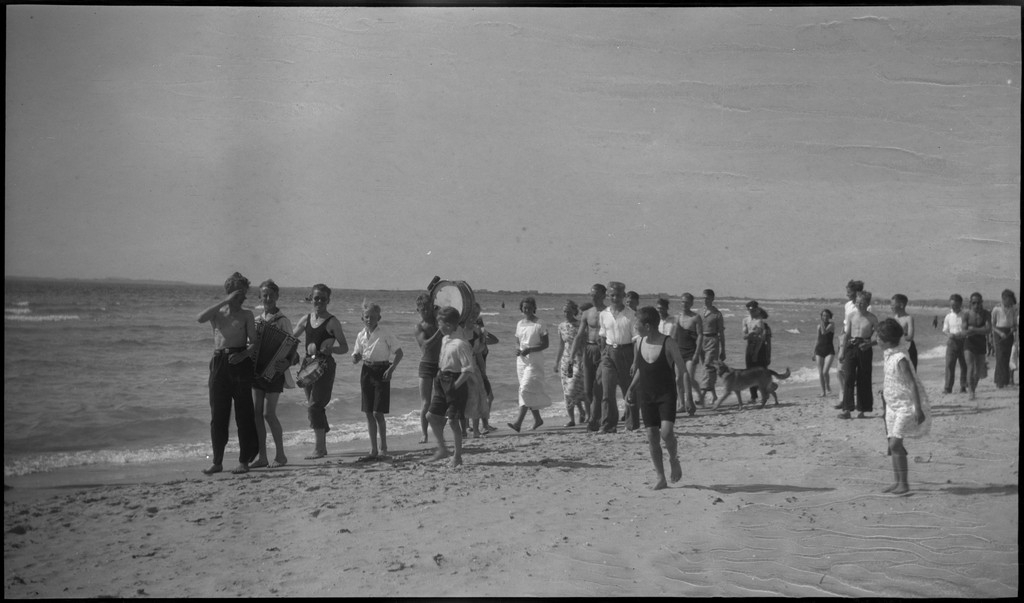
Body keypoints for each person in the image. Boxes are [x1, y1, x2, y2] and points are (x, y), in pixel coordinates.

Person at [196, 272, 259, 475]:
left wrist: (244, 355)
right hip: (219, 363)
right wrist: (225, 301)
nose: (242, 298)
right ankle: (217, 461)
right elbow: (200, 318)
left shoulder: (246, 315)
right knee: (218, 414)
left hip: (239, 361)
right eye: (238, 293)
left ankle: (244, 461)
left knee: (244, 413)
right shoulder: (217, 313)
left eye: (244, 294)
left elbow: (254, 344)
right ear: (229, 292)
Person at [625, 307, 686, 490]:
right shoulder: (640, 343)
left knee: (666, 433)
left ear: (648, 326)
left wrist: (683, 394)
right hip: (647, 395)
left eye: (637, 324)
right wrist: (630, 388)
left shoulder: (668, 343)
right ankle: (660, 476)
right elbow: (641, 371)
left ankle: (674, 459)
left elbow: (681, 368)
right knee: (652, 435)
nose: (635, 327)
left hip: (666, 394)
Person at [292, 284, 348, 459]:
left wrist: (331, 350)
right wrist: (292, 353)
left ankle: (320, 449)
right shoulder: (305, 319)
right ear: (311, 298)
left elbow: (345, 347)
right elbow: (291, 338)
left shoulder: (332, 321)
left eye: (323, 298)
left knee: (314, 406)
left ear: (328, 300)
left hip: (324, 365)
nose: (319, 301)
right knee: (314, 405)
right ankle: (322, 436)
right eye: (316, 298)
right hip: (307, 364)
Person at [878, 318, 931, 495]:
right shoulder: (889, 353)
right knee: (893, 444)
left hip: (905, 406)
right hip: (892, 406)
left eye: (878, 337)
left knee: (895, 444)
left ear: (886, 340)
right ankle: (898, 481)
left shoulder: (900, 358)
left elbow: (911, 383)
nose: (876, 340)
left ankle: (904, 483)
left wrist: (918, 408)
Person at [251, 279, 297, 469]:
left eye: (271, 295)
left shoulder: (283, 320)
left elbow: (293, 348)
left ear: (277, 297)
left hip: (274, 373)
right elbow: (252, 346)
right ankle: (262, 457)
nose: (268, 298)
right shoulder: (256, 320)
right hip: (256, 372)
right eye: (264, 295)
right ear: (260, 297)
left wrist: (287, 362)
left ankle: (281, 455)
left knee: (269, 414)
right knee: (256, 414)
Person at [352, 302, 403, 461]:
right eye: (366, 317)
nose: (369, 319)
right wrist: (355, 357)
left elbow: (399, 353)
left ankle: (384, 447)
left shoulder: (385, 333)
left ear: (378, 318)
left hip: (382, 371)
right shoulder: (361, 335)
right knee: (368, 412)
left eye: (373, 317)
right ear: (362, 318)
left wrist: (391, 369)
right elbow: (355, 356)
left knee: (377, 412)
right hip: (366, 371)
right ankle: (373, 448)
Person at [428, 306, 477, 467]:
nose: (438, 327)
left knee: (453, 422)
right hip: (442, 378)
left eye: (439, 323)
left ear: (448, 325)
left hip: (456, 382)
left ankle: (457, 456)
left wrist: (455, 385)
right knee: (431, 416)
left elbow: (468, 369)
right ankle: (442, 449)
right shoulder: (445, 339)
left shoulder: (460, 344)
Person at [597, 281, 638, 432]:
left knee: (629, 390)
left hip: (626, 352)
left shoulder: (631, 315)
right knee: (607, 391)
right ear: (608, 295)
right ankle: (608, 424)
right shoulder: (603, 314)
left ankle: (631, 424)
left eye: (618, 295)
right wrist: (603, 355)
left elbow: (636, 340)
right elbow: (602, 336)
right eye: (612, 295)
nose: (615, 298)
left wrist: (635, 361)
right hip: (609, 353)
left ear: (623, 295)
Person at [509, 296, 552, 432]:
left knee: (525, 388)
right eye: (524, 307)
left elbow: (545, 344)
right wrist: (517, 348)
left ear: (534, 308)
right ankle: (538, 419)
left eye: (529, 307)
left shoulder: (540, 323)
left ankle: (518, 423)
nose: (526, 309)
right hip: (521, 361)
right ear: (521, 308)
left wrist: (530, 349)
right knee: (528, 390)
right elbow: (517, 340)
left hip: (534, 359)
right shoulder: (520, 323)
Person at [570, 284, 607, 432]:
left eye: (597, 295)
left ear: (604, 295)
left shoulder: (608, 312)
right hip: (589, 349)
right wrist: (571, 356)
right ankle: (594, 417)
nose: (594, 297)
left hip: (604, 350)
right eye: (592, 294)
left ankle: (599, 418)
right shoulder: (587, 313)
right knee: (587, 389)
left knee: (601, 387)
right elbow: (579, 335)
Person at [838, 290, 878, 419]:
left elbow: (879, 336)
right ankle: (847, 409)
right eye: (858, 302)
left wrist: (870, 344)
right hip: (851, 346)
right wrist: (842, 351)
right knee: (849, 377)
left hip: (865, 347)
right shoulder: (851, 316)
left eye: (863, 302)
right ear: (855, 302)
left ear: (868, 303)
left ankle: (862, 409)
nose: (860, 305)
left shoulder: (872, 318)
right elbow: (847, 334)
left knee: (864, 378)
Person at [415, 292, 443, 444]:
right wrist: (440, 331)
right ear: (418, 310)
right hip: (426, 364)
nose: (425, 311)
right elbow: (425, 345)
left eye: (428, 308)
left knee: (440, 400)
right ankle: (424, 434)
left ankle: (440, 430)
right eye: (422, 309)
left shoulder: (439, 321)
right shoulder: (419, 326)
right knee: (426, 402)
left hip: (441, 364)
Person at [468, 303, 500, 436]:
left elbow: (495, 340)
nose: (476, 317)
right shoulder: (472, 339)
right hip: (477, 372)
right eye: (473, 313)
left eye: (478, 314)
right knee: (484, 397)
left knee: (484, 398)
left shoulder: (481, 340)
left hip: (481, 372)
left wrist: (483, 333)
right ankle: (480, 425)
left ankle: (480, 425)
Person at [554, 299, 587, 427]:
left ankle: (583, 411)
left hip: (578, 359)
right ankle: (572, 419)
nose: (566, 313)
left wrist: (585, 359)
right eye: (564, 311)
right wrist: (556, 362)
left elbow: (584, 343)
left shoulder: (581, 325)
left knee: (574, 388)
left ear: (574, 311)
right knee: (567, 391)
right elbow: (561, 346)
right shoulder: (561, 326)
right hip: (566, 361)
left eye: (568, 311)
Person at [837, 279, 867, 402]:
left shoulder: (866, 305)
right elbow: (845, 323)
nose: (847, 294)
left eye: (849, 292)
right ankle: (843, 397)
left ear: (856, 292)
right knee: (840, 370)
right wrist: (841, 337)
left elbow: (867, 323)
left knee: (856, 372)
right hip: (845, 338)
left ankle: (852, 401)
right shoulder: (847, 305)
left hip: (858, 340)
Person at [674, 293, 702, 414]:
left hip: (691, 351)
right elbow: (674, 336)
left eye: (686, 302)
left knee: (689, 377)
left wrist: (697, 353)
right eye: (682, 302)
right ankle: (681, 404)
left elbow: (701, 335)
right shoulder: (678, 317)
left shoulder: (696, 317)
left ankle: (690, 404)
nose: (684, 304)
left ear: (691, 303)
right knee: (678, 379)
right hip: (679, 351)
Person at [697, 289, 726, 406]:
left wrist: (723, 350)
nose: (705, 300)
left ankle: (702, 396)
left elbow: (721, 333)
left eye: (707, 298)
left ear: (712, 299)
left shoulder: (717, 314)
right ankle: (714, 396)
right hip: (701, 341)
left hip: (713, 341)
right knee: (707, 369)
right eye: (703, 298)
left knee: (708, 367)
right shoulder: (699, 312)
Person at [963, 292, 992, 401]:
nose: (976, 305)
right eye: (974, 303)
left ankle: (973, 388)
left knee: (979, 371)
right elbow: (964, 331)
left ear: (981, 302)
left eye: (978, 302)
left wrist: (973, 329)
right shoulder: (966, 314)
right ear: (970, 303)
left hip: (981, 343)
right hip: (969, 343)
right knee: (970, 368)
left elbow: (988, 330)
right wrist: (980, 330)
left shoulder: (986, 314)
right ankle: (971, 391)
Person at [742, 300, 771, 402]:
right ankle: (753, 396)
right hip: (750, 345)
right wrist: (748, 335)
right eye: (750, 310)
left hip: (759, 347)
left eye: (753, 310)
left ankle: (765, 395)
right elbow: (744, 336)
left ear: (757, 310)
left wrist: (755, 353)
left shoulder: (759, 322)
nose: (752, 312)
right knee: (750, 372)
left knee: (761, 371)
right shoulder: (745, 320)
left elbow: (761, 339)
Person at [942, 294, 969, 394]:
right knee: (949, 364)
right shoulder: (948, 316)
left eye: (955, 305)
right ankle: (948, 387)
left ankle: (963, 386)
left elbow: (967, 329)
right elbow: (944, 330)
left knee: (964, 365)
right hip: (951, 342)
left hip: (963, 341)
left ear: (960, 304)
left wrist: (961, 334)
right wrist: (949, 335)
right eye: (952, 305)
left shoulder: (965, 315)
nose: (953, 307)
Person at [991, 289, 1018, 389]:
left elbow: (1015, 323)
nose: (1010, 302)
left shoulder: (1014, 308)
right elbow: (992, 325)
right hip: (999, 333)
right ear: (1004, 298)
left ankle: (1006, 381)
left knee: (1007, 357)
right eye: (1009, 299)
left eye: (1012, 300)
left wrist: (1013, 328)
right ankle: (999, 382)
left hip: (1009, 333)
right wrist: (1000, 332)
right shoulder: (996, 309)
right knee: (1000, 357)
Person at [890, 294, 918, 369]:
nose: (891, 307)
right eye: (891, 304)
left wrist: (896, 337)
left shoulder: (908, 318)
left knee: (910, 372)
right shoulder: (894, 318)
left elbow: (910, 337)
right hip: (897, 348)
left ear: (901, 305)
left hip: (908, 348)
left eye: (893, 305)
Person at [813, 309, 836, 398]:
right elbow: (818, 339)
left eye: (826, 315)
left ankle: (828, 386)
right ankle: (823, 392)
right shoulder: (819, 326)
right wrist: (814, 352)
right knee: (820, 372)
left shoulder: (831, 325)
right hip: (819, 350)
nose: (825, 317)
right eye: (823, 315)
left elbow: (824, 332)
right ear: (821, 316)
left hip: (829, 350)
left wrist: (821, 323)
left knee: (825, 371)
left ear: (830, 316)